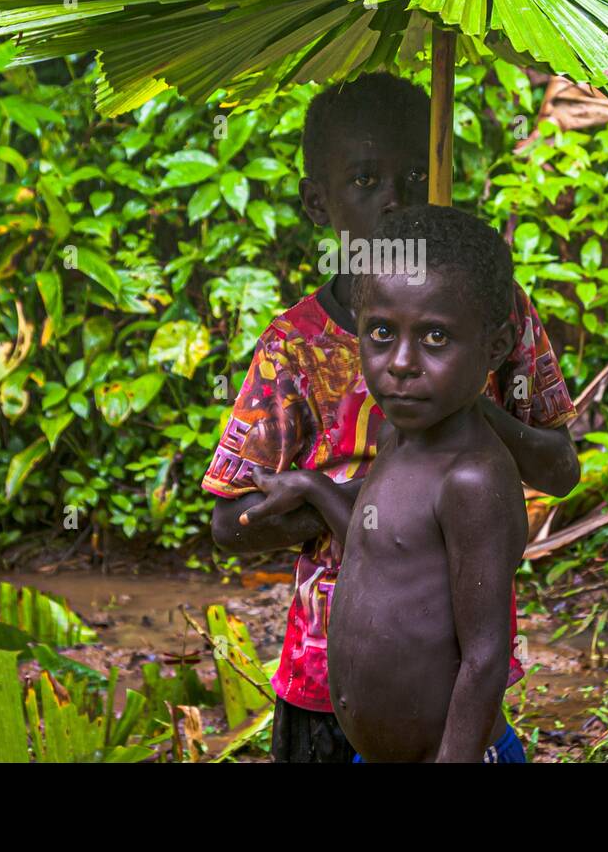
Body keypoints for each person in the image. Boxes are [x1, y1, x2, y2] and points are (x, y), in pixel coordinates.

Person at [201, 72, 578, 763]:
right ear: (320, 202)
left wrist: (475, 415)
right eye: (366, 180)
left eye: (413, 174)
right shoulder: (296, 346)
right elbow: (231, 523)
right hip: (325, 672)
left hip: (444, 677)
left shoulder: (496, 314)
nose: (396, 200)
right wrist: (362, 504)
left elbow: (558, 469)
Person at [248, 204, 531, 762]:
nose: (401, 363)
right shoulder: (402, 436)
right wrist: (310, 486)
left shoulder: (472, 478)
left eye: (435, 338)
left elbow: (484, 657)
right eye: (381, 332)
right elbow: (376, 543)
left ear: (494, 348)